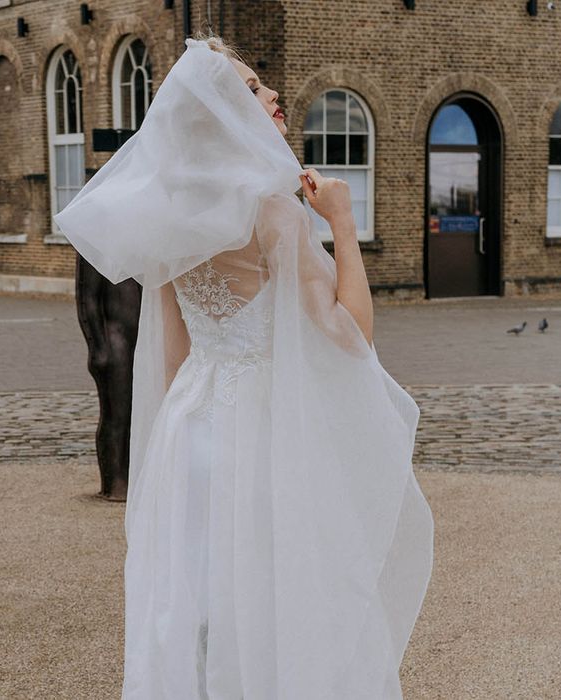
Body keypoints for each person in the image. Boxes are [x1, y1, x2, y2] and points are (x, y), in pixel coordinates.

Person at [54, 33, 433, 699]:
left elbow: (174, 357)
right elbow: (351, 337)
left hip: (189, 425)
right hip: (261, 423)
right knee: (272, 590)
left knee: (197, 593)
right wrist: (343, 224)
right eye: (256, 88)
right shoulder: (269, 210)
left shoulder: (169, 208)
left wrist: (180, 435)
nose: (274, 94)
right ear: (226, 112)